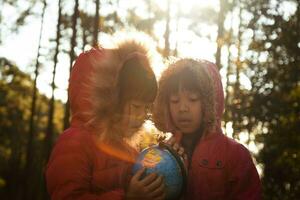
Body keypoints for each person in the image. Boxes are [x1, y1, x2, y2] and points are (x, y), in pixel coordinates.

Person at [46, 41, 166, 200]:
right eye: (136, 106)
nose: (143, 115)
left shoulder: (130, 151)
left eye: (147, 108)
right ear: (109, 101)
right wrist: (127, 197)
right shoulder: (74, 144)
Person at [153, 58, 262, 199]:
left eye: (192, 99)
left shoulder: (236, 155)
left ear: (210, 102)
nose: (182, 108)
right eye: (175, 100)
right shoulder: (161, 153)